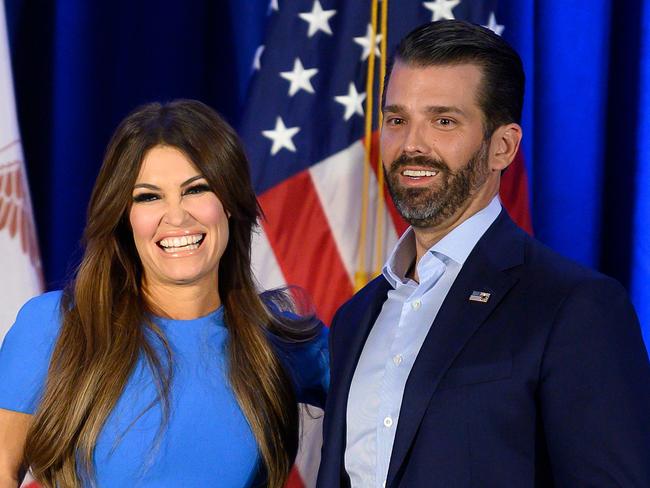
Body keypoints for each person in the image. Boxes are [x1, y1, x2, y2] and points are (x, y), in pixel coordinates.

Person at [317, 20, 650, 488]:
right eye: (397, 119)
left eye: (444, 121)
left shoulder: (576, 308)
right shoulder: (355, 318)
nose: (412, 144)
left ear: (503, 147)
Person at [0, 99, 328, 488]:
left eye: (196, 189)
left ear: (230, 203)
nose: (176, 216)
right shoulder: (54, 326)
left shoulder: (284, 341)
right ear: (124, 215)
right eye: (149, 196)